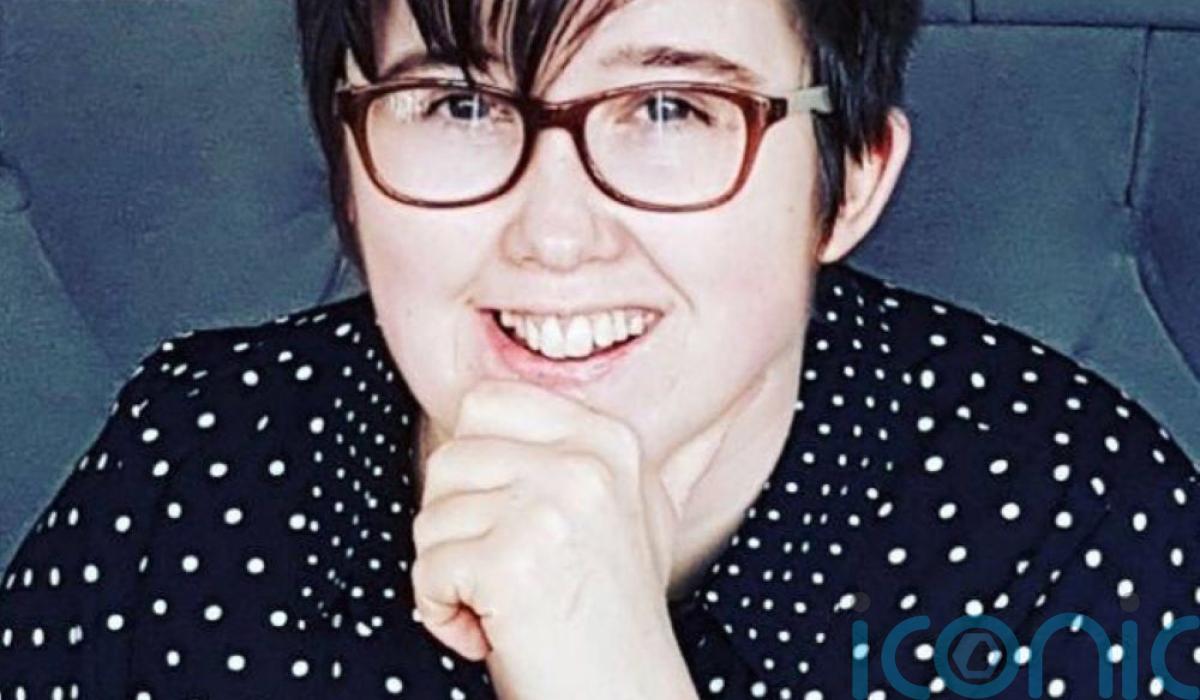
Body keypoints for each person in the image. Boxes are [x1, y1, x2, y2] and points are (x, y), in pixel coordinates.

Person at [1, 0, 1197, 697]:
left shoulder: (1082, 527)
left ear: (851, 183)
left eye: (670, 110)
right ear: (347, 160)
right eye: (462, 106)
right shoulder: (191, 452)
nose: (556, 234)